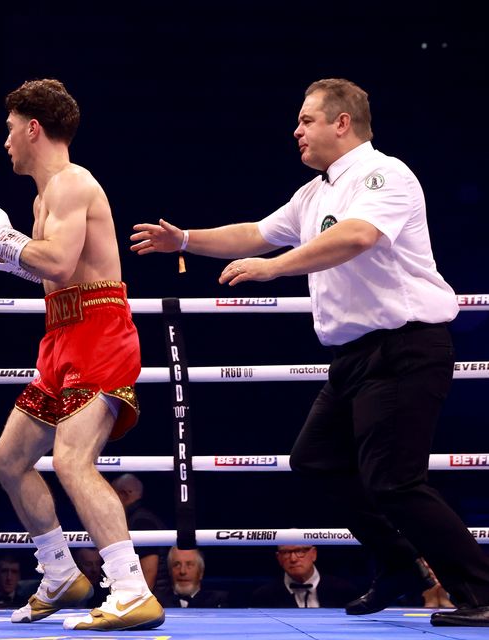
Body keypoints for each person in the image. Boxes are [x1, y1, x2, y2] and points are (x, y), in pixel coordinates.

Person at [131, 78, 489, 626]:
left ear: (341, 122)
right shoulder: (314, 193)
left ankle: (480, 591)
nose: (295, 131)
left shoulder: (384, 174)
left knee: (395, 480)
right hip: (353, 358)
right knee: (316, 459)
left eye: (306, 120)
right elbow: (255, 232)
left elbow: (357, 237)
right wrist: (184, 240)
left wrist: (274, 269)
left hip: (405, 346)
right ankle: (398, 564)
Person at [0, 78, 163, 632]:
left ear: (32, 128)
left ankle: (132, 589)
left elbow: (59, 264)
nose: (6, 143)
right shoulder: (45, 196)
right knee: (8, 459)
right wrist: (2, 254)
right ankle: (60, 571)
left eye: (9, 130)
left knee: (72, 460)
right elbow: (46, 267)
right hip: (62, 333)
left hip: (98, 330)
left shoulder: (72, 183)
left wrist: (3, 239)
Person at [110, 473, 169, 592]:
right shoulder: (141, 517)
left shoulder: (140, 521)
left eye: (112, 495)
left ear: (123, 494)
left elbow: (149, 569)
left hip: (155, 597)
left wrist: (140, 599)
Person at [251, 545, 358, 608]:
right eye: (285, 552)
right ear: (278, 558)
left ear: (313, 554)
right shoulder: (262, 597)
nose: (293, 559)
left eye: (300, 551)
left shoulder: (345, 591)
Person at [157, 547, 230, 608]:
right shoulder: (157, 602)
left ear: (201, 572)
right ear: (169, 571)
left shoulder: (217, 602)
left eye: (189, 565)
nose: (183, 571)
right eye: (177, 565)